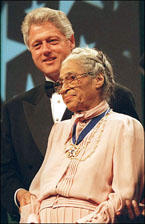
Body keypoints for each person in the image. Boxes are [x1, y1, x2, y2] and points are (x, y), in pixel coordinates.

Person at [0, 7, 140, 223]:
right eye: (37, 44)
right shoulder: (14, 108)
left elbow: (134, 166)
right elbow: (5, 170)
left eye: (52, 41)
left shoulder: (118, 97)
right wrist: (21, 198)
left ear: (71, 41)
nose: (45, 50)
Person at [19, 47, 144, 223]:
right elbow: (36, 193)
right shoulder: (58, 130)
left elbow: (123, 195)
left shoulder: (125, 126)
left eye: (71, 78)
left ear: (98, 79)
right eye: (60, 83)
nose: (63, 89)